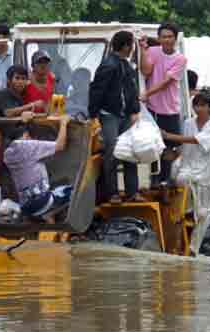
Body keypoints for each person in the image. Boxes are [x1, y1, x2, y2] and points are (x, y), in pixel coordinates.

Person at [160, 92, 210, 254]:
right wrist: (173, 153)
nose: (199, 108)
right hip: (188, 166)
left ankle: (194, 248)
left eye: (203, 105)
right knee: (180, 178)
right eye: (196, 105)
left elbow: (197, 140)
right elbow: (185, 145)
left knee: (203, 214)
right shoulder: (188, 123)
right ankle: (186, 213)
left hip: (206, 171)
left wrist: (169, 136)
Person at [88, 30, 141, 204]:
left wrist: (135, 110)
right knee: (112, 152)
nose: (132, 48)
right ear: (126, 46)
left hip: (124, 115)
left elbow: (132, 91)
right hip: (110, 115)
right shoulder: (108, 65)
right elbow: (96, 91)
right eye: (131, 44)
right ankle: (112, 193)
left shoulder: (126, 65)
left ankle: (132, 191)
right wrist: (94, 115)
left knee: (130, 151)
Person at [139, 22, 188, 184]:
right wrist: (143, 50)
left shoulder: (180, 59)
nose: (167, 40)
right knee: (153, 145)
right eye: (164, 37)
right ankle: (155, 179)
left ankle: (167, 179)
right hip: (151, 108)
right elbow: (146, 70)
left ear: (175, 38)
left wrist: (147, 93)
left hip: (169, 109)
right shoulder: (153, 51)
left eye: (170, 36)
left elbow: (166, 82)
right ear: (159, 38)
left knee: (170, 147)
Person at [3, 116, 71, 223]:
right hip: (42, 202)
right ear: (25, 135)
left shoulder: (7, 154)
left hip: (25, 207)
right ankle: (51, 216)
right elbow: (60, 146)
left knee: (52, 190)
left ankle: (47, 217)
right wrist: (63, 123)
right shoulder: (28, 146)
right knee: (73, 191)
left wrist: (23, 121)